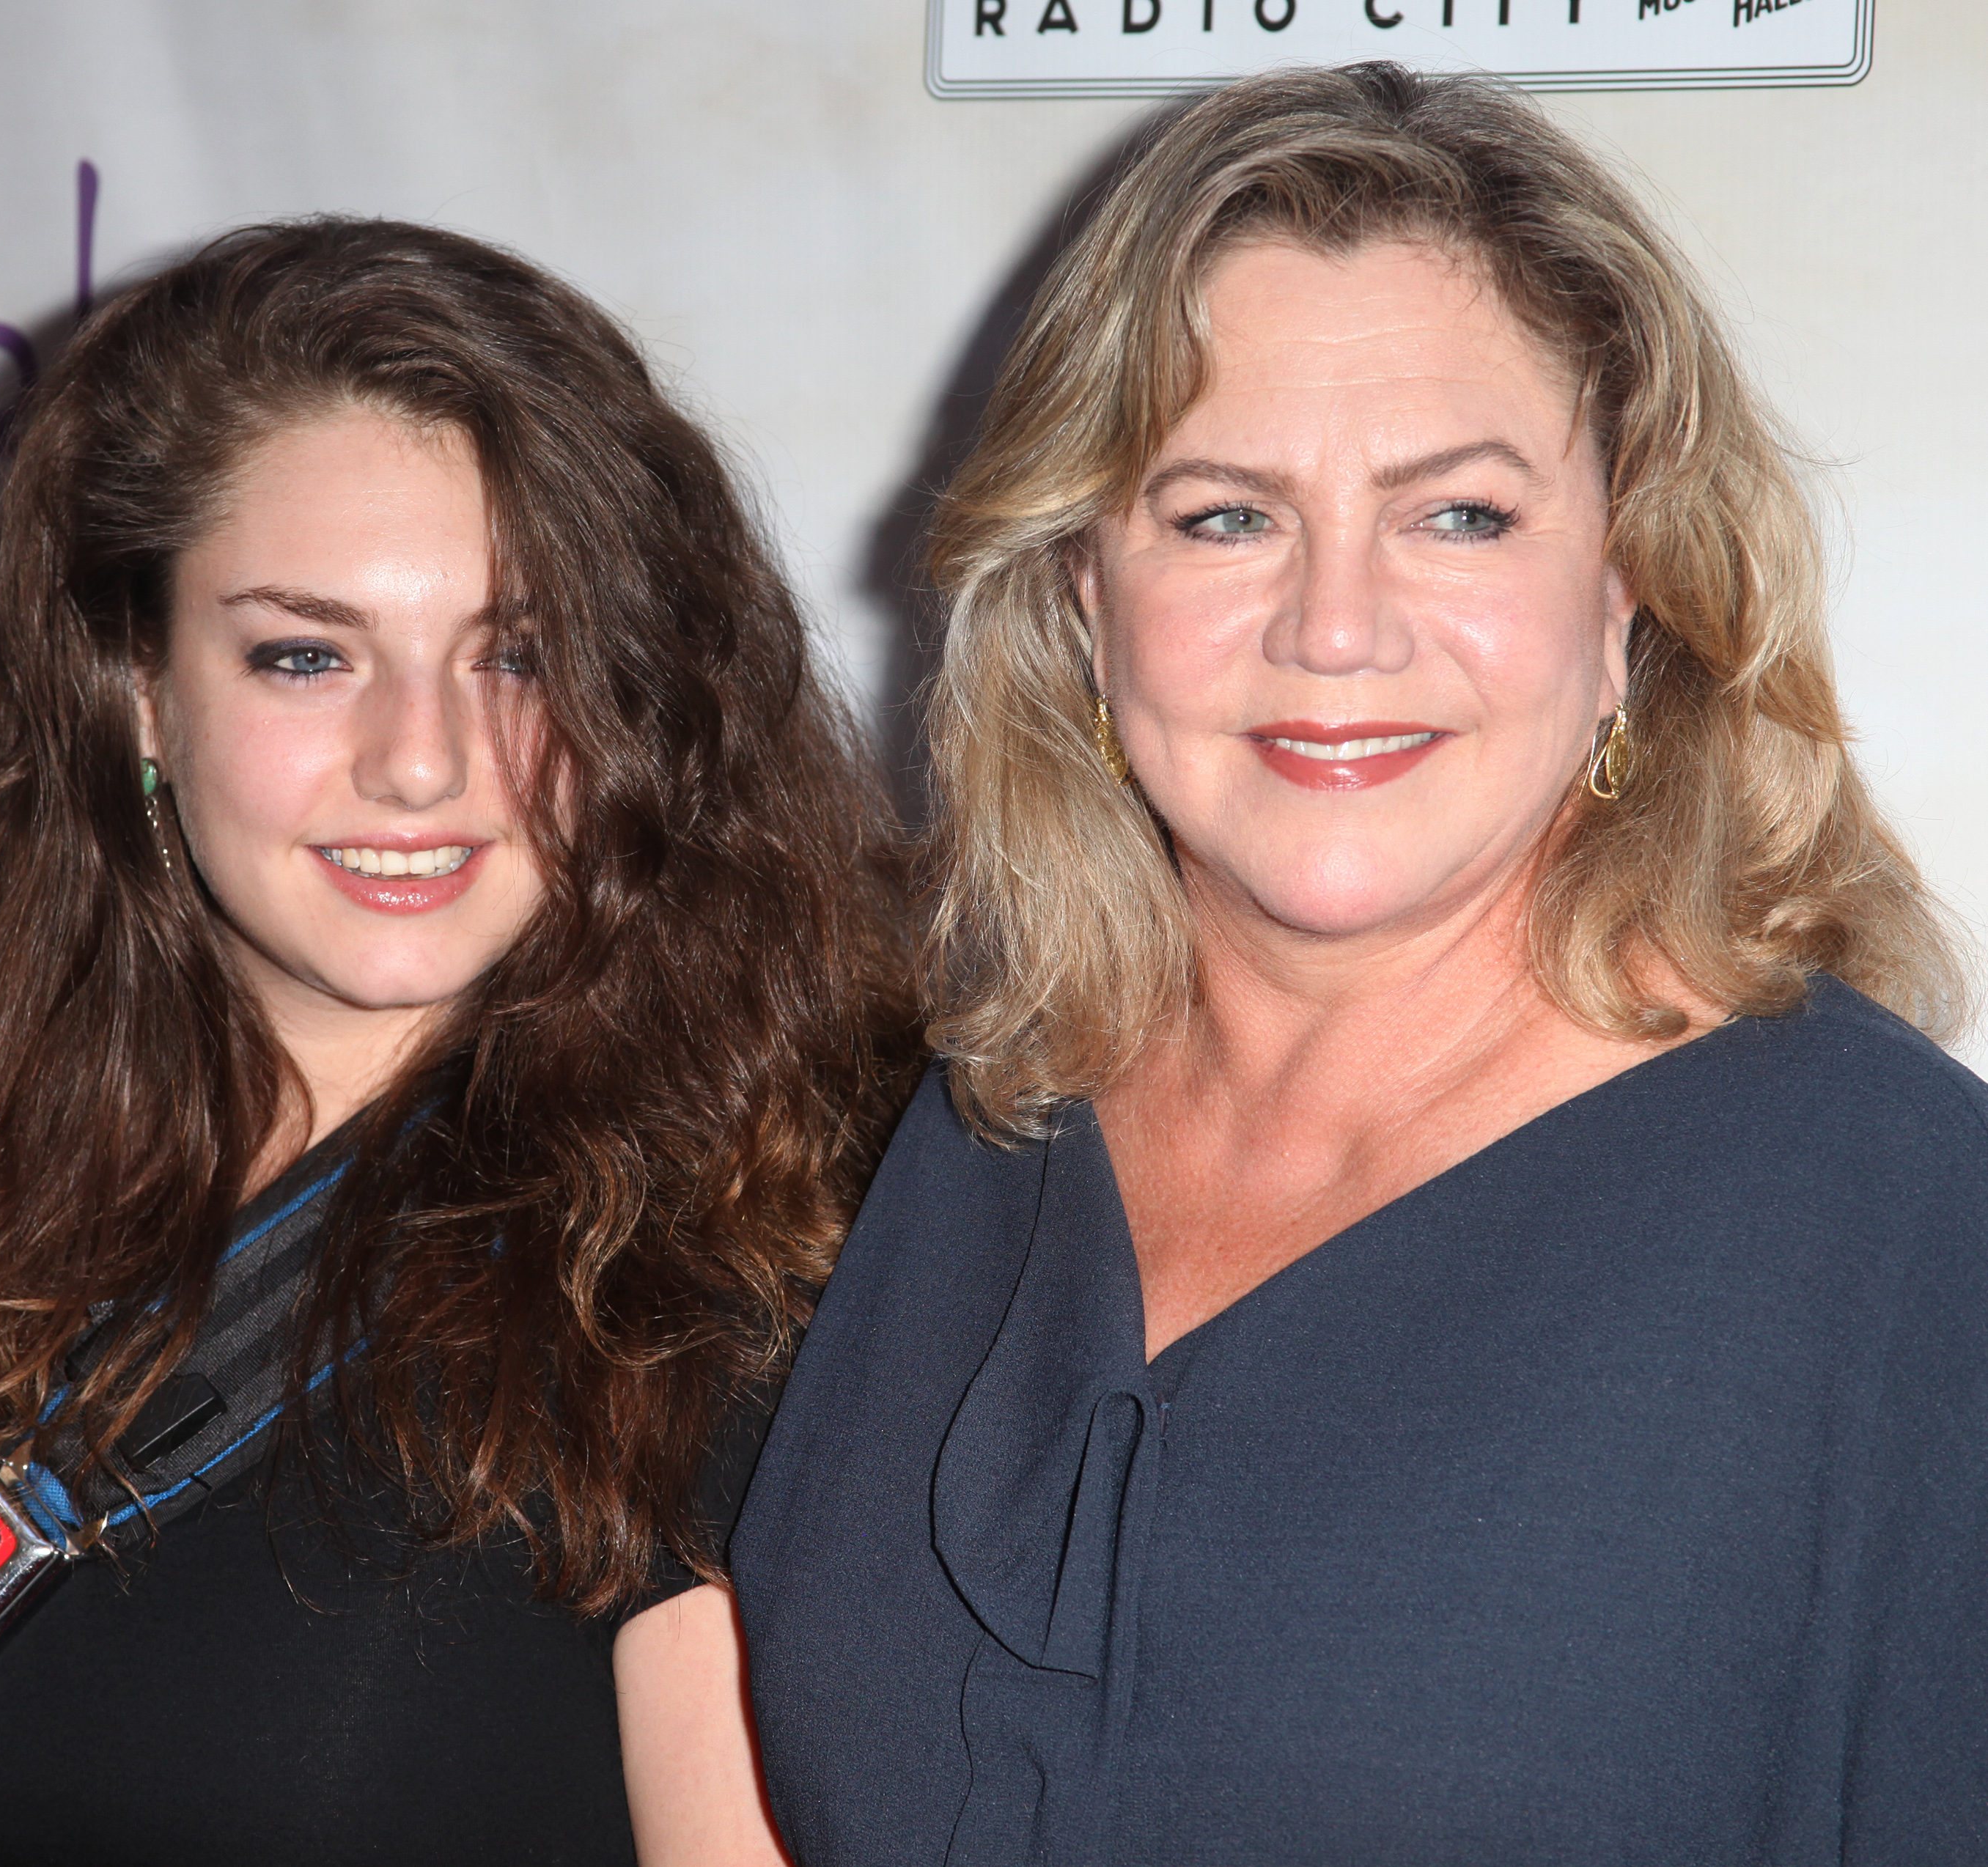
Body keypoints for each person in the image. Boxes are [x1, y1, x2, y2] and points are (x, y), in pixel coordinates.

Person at [732, 62, 1988, 1867]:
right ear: (1084, 598)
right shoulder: (961, 1129)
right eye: (1224, 513)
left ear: (1628, 590)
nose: (1335, 626)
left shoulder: (1902, 1232)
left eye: (1458, 513)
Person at [0, 218, 914, 1865]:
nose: (419, 759)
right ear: (140, 692)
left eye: (513, 655)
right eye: (306, 653)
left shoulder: (738, 1298)